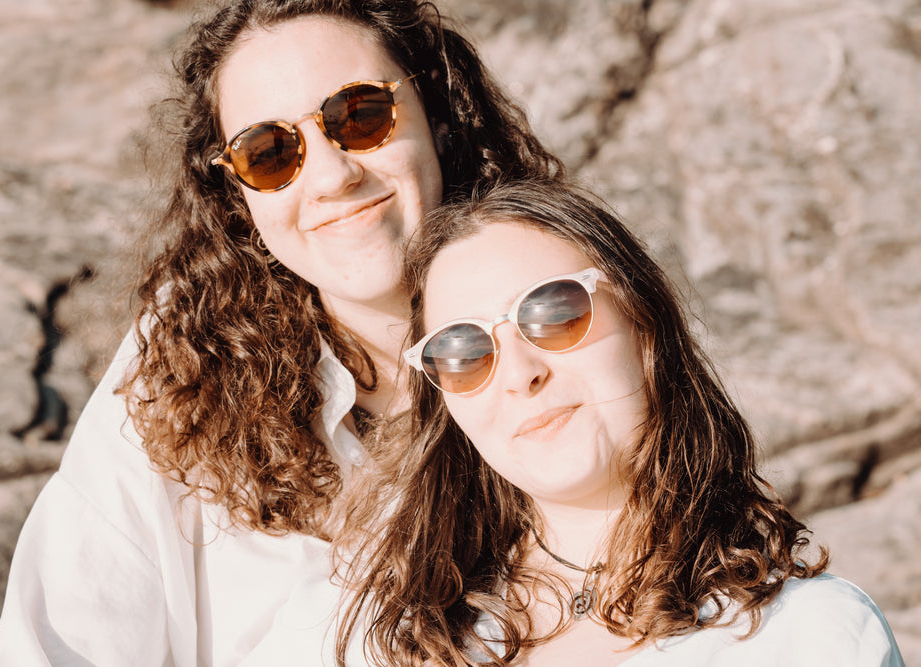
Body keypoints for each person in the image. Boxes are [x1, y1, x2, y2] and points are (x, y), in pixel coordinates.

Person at [0, 0, 562, 663]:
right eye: (269, 152)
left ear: (436, 110)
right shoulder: (180, 368)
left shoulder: (573, 336)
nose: (333, 174)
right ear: (237, 193)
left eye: (361, 114)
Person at [340, 179, 905, 666]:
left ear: (644, 322)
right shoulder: (403, 645)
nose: (518, 373)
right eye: (461, 350)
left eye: (554, 311)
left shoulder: (813, 636)